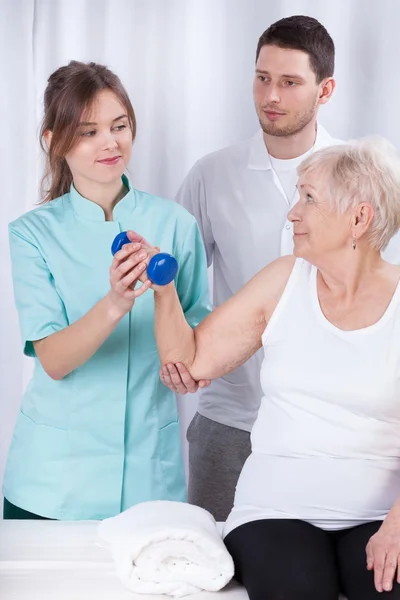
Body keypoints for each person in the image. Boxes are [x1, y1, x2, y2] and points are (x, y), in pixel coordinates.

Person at [151, 137, 400, 599]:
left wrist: (397, 526)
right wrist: (162, 287)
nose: (292, 214)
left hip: (381, 514)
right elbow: (188, 360)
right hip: (275, 511)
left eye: (308, 198)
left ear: (359, 218)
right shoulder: (283, 280)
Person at [3, 61, 210, 521]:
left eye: (119, 126)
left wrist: (164, 294)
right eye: (89, 131)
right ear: (53, 142)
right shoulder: (32, 234)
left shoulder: (175, 224)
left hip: (149, 476)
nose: (110, 142)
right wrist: (116, 302)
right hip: (53, 484)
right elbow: (53, 360)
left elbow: (196, 350)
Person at [160, 15, 343, 522]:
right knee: (207, 569)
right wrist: (185, 352)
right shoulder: (212, 174)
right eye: (262, 78)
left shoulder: (357, 176)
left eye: (289, 82)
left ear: (325, 89)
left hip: (324, 426)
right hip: (229, 419)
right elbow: (176, 285)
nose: (271, 96)